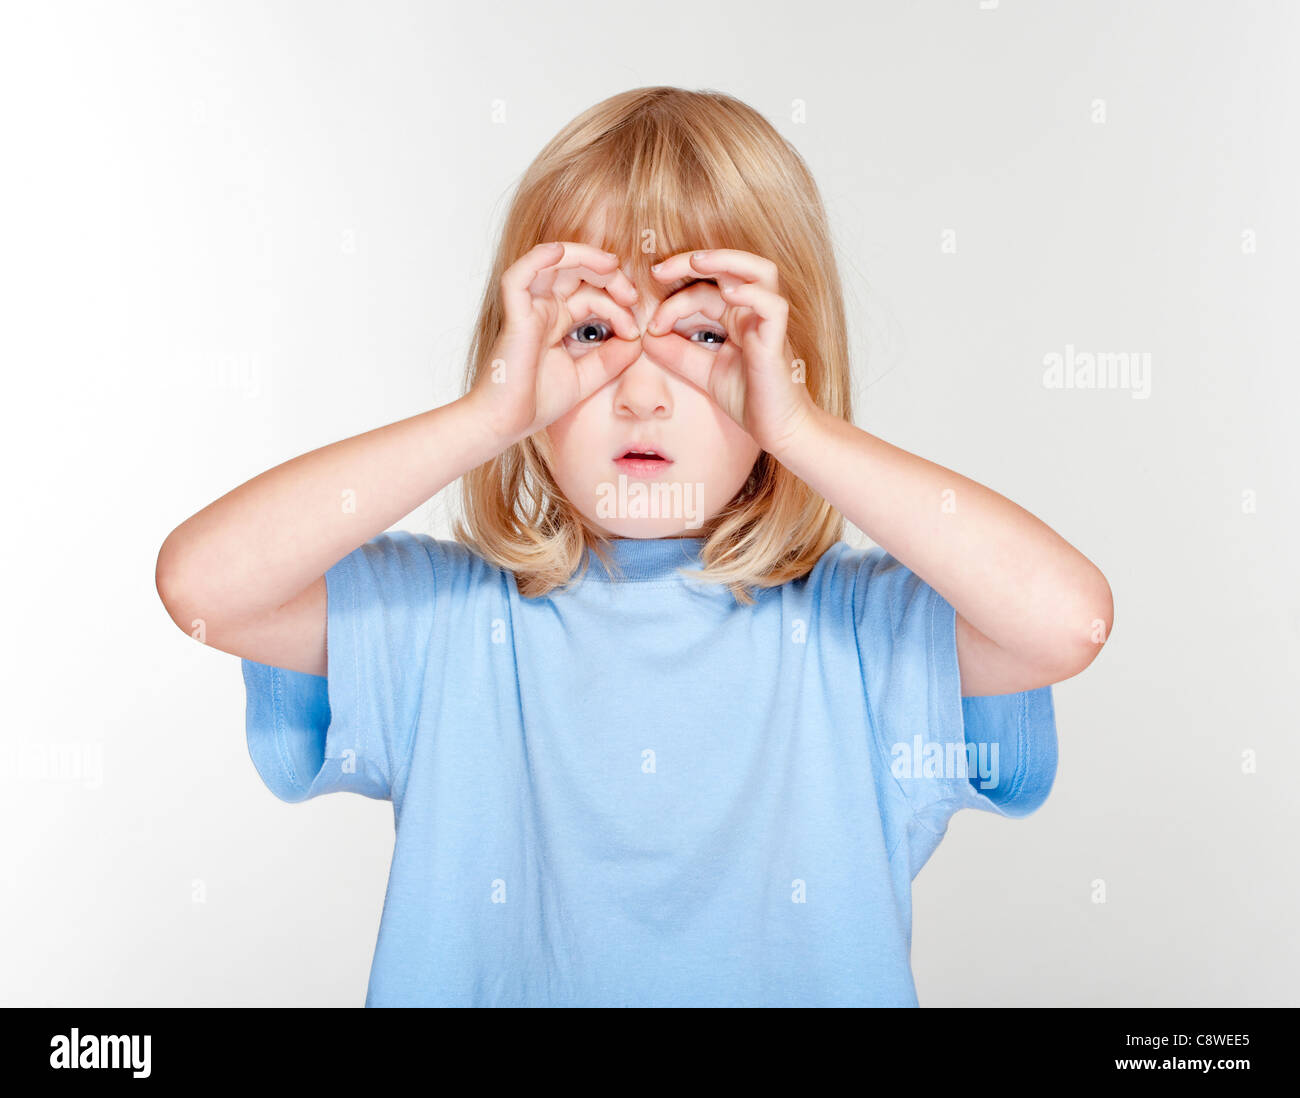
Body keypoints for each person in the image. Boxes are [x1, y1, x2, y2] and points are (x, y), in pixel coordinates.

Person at [155, 86, 1113, 1006]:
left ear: (787, 370)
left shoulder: (863, 636)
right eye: (590, 332)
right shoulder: (443, 624)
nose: (642, 392)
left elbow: (1068, 621)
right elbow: (206, 584)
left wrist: (805, 431)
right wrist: (486, 416)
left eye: (704, 334)